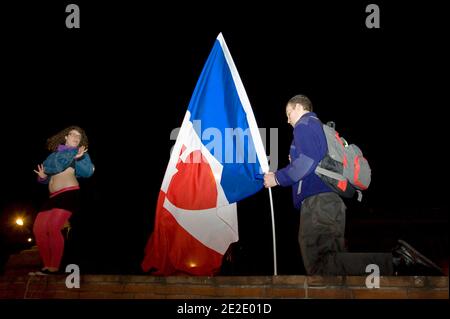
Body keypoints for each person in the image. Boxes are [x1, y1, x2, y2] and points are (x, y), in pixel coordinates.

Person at [264, 95, 443, 276]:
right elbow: (312, 160)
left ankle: (397, 261)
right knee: (334, 267)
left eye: (288, 113)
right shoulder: (320, 129)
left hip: (318, 203)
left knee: (319, 265)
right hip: (331, 203)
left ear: (299, 107)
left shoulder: (305, 124)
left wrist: (277, 178)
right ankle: (396, 263)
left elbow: (307, 161)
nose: (288, 120)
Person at [31, 126, 94, 275]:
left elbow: (88, 172)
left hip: (69, 193)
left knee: (53, 228)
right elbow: (47, 172)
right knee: (38, 229)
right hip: (52, 197)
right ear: (66, 136)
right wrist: (42, 177)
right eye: (73, 134)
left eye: (79, 136)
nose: (76, 137)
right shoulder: (54, 155)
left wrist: (78, 158)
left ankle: (54, 267)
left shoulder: (81, 153)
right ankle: (46, 266)